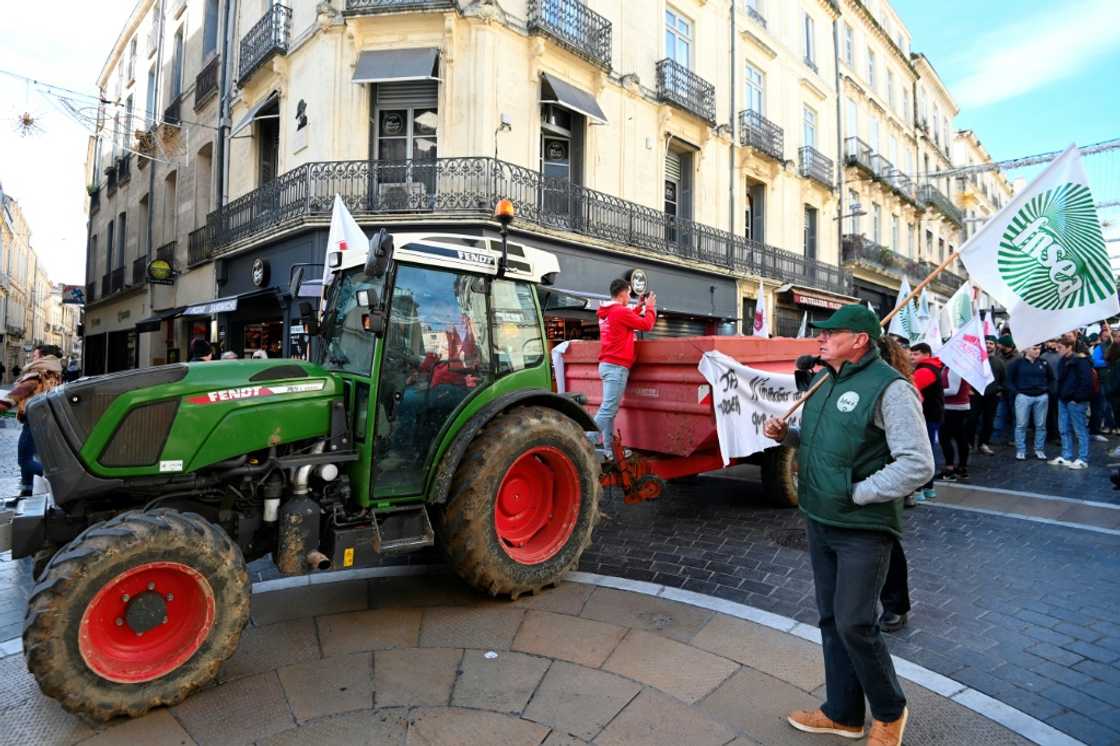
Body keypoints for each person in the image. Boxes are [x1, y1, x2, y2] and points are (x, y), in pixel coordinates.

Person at [764, 304, 933, 746]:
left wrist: (857, 492)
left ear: (859, 340)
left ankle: (890, 712)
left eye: (830, 332)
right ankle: (842, 713)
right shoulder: (824, 379)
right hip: (820, 519)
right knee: (830, 619)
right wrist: (788, 436)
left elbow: (918, 464)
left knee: (856, 622)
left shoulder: (891, 389)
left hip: (863, 526)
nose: (820, 338)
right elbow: (822, 442)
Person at [591, 278, 656, 455]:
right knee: (608, 410)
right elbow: (646, 325)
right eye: (629, 293)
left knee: (608, 410)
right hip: (616, 366)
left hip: (606, 364)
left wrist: (638, 306)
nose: (630, 296)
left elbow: (625, 319)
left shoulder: (607, 312)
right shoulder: (619, 312)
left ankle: (609, 450)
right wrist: (649, 307)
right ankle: (585, 441)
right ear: (622, 293)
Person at [0, 344, 63, 496]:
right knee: (31, 458)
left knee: (24, 460)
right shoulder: (55, 374)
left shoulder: (37, 375)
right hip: (46, 421)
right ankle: (26, 491)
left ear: (43, 357)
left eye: (35, 356)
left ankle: (59, 478)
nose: (32, 358)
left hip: (33, 422)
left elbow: (14, 396)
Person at [1050, 336, 1093, 469]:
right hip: (1063, 399)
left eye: (1060, 347)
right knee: (1064, 429)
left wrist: (1077, 399)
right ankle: (1066, 456)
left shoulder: (1081, 361)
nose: (1057, 350)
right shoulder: (1063, 360)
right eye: (1057, 347)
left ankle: (1082, 458)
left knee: (1079, 430)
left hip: (1076, 401)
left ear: (1069, 347)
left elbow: (1086, 382)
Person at [909, 343, 943, 499]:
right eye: (911, 353)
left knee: (923, 453)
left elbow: (910, 386)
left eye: (915, 354)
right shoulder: (931, 367)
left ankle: (920, 489)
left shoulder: (926, 370)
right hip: (930, 415)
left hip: (927, 416)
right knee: (927, 452)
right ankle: (928, 488)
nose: (911, 356)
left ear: (927, 354)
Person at [1007, 344, 1053, 460]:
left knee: (1041, 425)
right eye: (1034, 348)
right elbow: (1008, 380)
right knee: (1021, 425)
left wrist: (1048, 391)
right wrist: (1017, 392)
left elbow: (1052, 379)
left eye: (1039, 348)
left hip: (1041, 396)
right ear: (1027, 349)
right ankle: (1021, 450)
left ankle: (1039, 450)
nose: (1037, 351)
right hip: (1023, 396)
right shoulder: (1017, 363)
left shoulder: (1044, 363)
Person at [940, 365, 973, 479]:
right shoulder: (948, 367)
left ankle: (951, 467)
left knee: (945, 437)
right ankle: (961, 467)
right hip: (957, 407)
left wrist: (937, 391)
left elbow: (953, 390)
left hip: (954, 408)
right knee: (960, 437)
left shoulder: (955, 369)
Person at [1041, 339, 1064, 444]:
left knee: (1058, 413)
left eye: (1054, 341)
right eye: (1050, 341)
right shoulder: (1043, 357)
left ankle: (1057, 434)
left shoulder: (1061, 356)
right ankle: (1051, 434)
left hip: (1059, 388)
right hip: (1048, 389)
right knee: (1049, 413)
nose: (1052, 343)